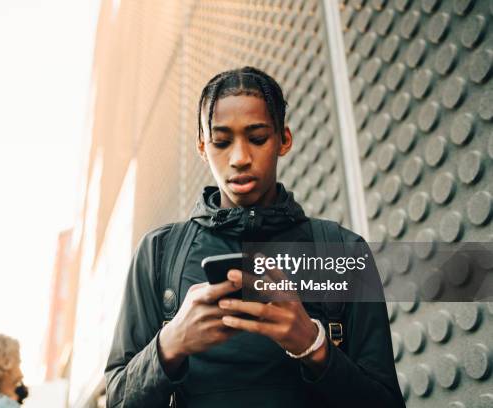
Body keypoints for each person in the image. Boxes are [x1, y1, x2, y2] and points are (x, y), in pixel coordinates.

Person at [104, 66, 405, 407]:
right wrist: (169, 344)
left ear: (284, 140)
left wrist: (313, 345)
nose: (239, 158)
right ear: (203, 147)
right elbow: (116, 400)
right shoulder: (158, 254)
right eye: (221, 142)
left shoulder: (342, 252)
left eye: (258, 137)